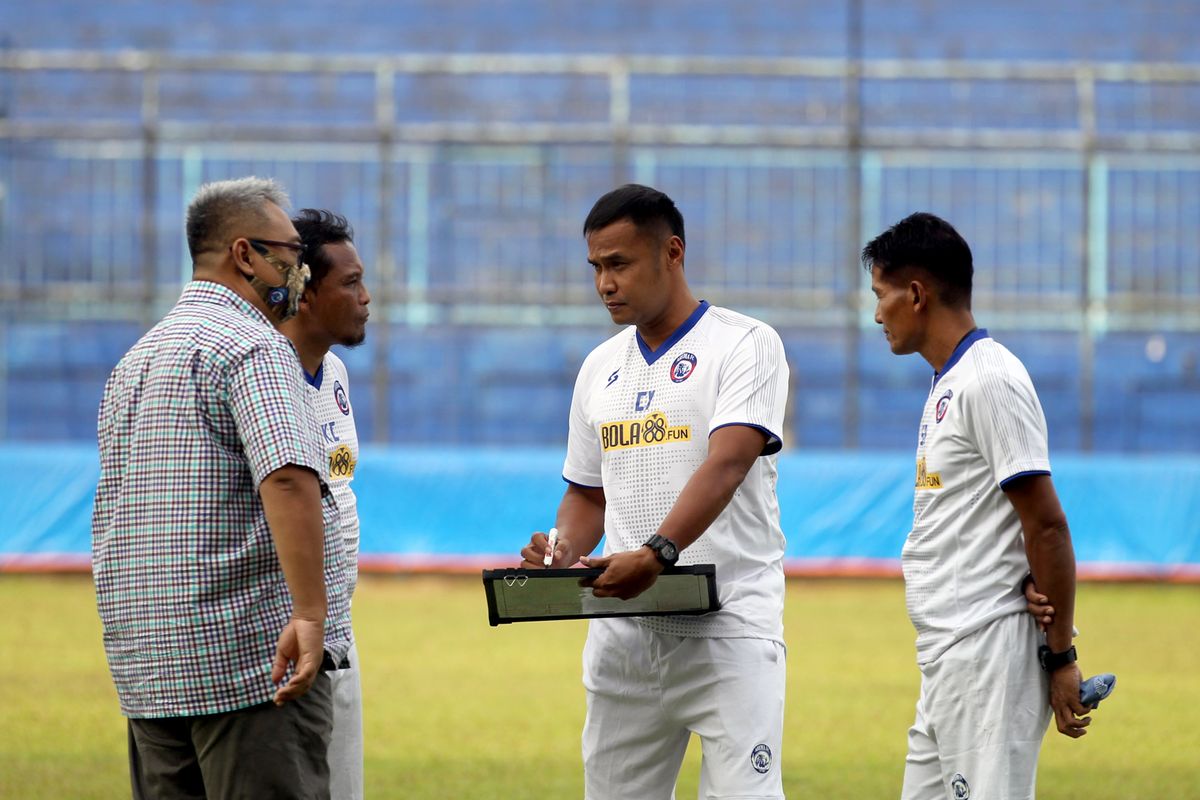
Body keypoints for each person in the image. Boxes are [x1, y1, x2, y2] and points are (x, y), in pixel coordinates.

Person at [519, 184, 790, 799]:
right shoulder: (599, 366)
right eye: (595, 267)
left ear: (672, 252)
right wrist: (562, 550)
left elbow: (728, 463)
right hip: (623, 633)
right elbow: (588, 495)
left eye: (619, 263)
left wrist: (657, 553)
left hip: (728, 627)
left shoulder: (745, 343)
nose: (604, 283)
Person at [92, 177, 352, 799]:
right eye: (290, 252)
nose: (300, 268)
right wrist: (310, 614)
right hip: (250, 667)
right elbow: (286, 477)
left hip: (151, 669)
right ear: (245, 255)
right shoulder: (255, 346)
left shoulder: (136, 359)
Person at [862, 212, 1094, 800]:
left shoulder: (989, 380)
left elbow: (1047, 524)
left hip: (987, 652)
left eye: (881, 295)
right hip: (949, 655)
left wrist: (1061, 657)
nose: (876, 314)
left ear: (916, 295)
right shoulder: (950, 380)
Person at [281, 208, 371, 800]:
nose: (366, 297)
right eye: (351, 283)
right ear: (306, 293)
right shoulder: (264, 376)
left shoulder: (334, 370)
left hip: (339, 625)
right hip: (283, 631)